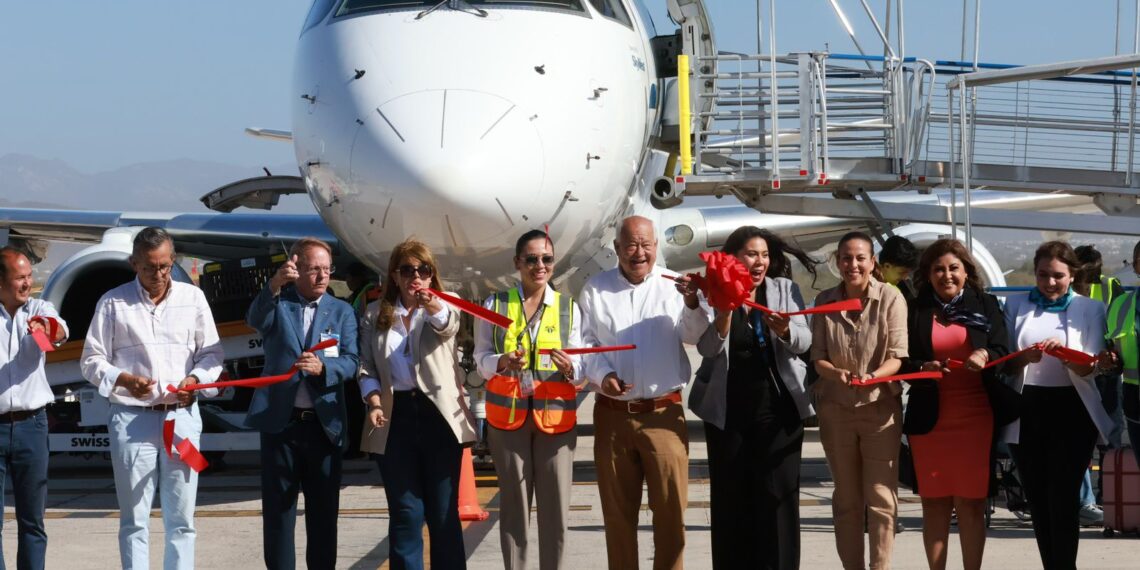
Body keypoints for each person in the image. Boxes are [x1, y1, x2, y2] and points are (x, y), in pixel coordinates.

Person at [80, 227, 224, 570]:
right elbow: (90, 361)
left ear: (172, 260)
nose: (158, 274)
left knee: (182, 518)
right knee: (134, 519)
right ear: (134, 264)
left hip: (181, 418)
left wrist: (195, 380)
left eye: (164, 266)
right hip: (132, 420)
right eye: (149, 267)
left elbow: (212, 355)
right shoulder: (113, 303)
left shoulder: (193, 299)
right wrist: (125, 380)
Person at [578, 215, 711, 570]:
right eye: (631, 245)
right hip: (613, 416)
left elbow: (692, 335)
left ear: (656, 246)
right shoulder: (595, 289)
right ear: (617, 248)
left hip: (663, 416)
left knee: (671, 516)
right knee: (618, 518)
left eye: (646, 245)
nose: (639, 252)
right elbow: (586, 344)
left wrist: (693, 304)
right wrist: (603, 374)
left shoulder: (673, 286)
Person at [688, 226, 816, 569]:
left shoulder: (784, 289)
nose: (759, 261)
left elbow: (805, 340)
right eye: (751, 254)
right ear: (732, 259)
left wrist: (785, 330)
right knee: (732, 501)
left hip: (778, 411)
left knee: (778, 499)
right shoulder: (713, 291)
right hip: (727, 412)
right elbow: (706, 349)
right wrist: (724, 314)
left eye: (764, 255)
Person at [358, 238, 476, 569]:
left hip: (438, 415)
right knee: (405, 512)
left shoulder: (446, 304)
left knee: (443, 512)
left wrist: (433, 307)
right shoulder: (374, 314)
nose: (416, 277)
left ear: (432, 274)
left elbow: (448, 328)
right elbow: (366, 366)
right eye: (407, 270)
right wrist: (374, 400)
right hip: (395, 415)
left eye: (424, 270)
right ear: (394, 276)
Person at [245, 237, 360, 570]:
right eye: (313, 269)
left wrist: (325, 369)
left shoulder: (342, 311)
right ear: (296, 268)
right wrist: (274, 285)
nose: (322, 276)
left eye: (327, 269)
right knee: (279, 512)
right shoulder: (280, 303)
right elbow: (254, 319)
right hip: (281, 424)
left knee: (323, 513)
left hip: (324, 426)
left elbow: (352, 361)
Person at [472, 229, 582, 570]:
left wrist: (570, 368)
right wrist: (503, 362)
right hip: (509, 421)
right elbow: (480, 359)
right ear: (517, 263)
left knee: (555, 512)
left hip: (556, 422)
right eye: (531, 259)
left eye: (547, 259)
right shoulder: (494, 305)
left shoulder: (568, 308)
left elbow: (582, 366)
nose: (540, 266)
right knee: (514, 511)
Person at [1002, 240, 1116, 570]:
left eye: (1058, 276)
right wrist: (1024, 357)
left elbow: (1089, 368)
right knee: (1038, 499)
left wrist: (1065, 355)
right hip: (1027, 407)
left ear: (1072, 275)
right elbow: (1005, 363)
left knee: (1063, 498)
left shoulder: (1090, 308)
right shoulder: (1016, 304)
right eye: (1042, 275)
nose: (1050, 282)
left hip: (1072, 408)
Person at [899, 239, 1010, 570]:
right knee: (934, 504)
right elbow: (900, 360)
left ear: (966, 272)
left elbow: (1003, 349)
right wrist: (923, 367)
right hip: (930, 420)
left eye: (953, 268)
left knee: (971, 504)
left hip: (975, 418)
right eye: (938, 269)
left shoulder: (985, 304)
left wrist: (985, 353)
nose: (946, 275)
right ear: (928, 274)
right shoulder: (915, 309)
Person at [810, 230, 908, 570]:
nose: (853, 264)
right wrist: (835, 373)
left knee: (881, 497)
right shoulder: (825, 301)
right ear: (837, 262)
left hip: (880, 409)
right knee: (846, 499)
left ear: (872, 262)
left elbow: (898, 356)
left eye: (860, 258)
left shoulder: (891, 299)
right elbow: (818, 357)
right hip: (836, 409)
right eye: (846, 258)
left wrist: (874, 376)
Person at [0, 246, 68, 570]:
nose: (28, 283)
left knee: (32, 521)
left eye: (29, 276)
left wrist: (47, 329)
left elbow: (60, 331)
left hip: (32, 426)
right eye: (20, 278)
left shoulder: (39, 307)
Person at [1072, 244, 1123, 526]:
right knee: (1080, 438)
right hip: (1077, 372)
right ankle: (1086, 502)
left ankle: (1110, 498)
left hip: (1106, 373)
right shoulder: (1065, 288)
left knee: (1109, 438)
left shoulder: (1110, 287)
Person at [1100, 240, 1140, 467]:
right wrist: (1110, 362)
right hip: (1135, 402)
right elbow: (1114, 357)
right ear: (1135, 266)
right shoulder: (1119, 306)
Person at [877, 235, 920, 305]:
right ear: (887, 266)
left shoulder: (895, 290)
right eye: (902, 272)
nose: (905, 277)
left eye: (907, 273)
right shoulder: (868, 287)